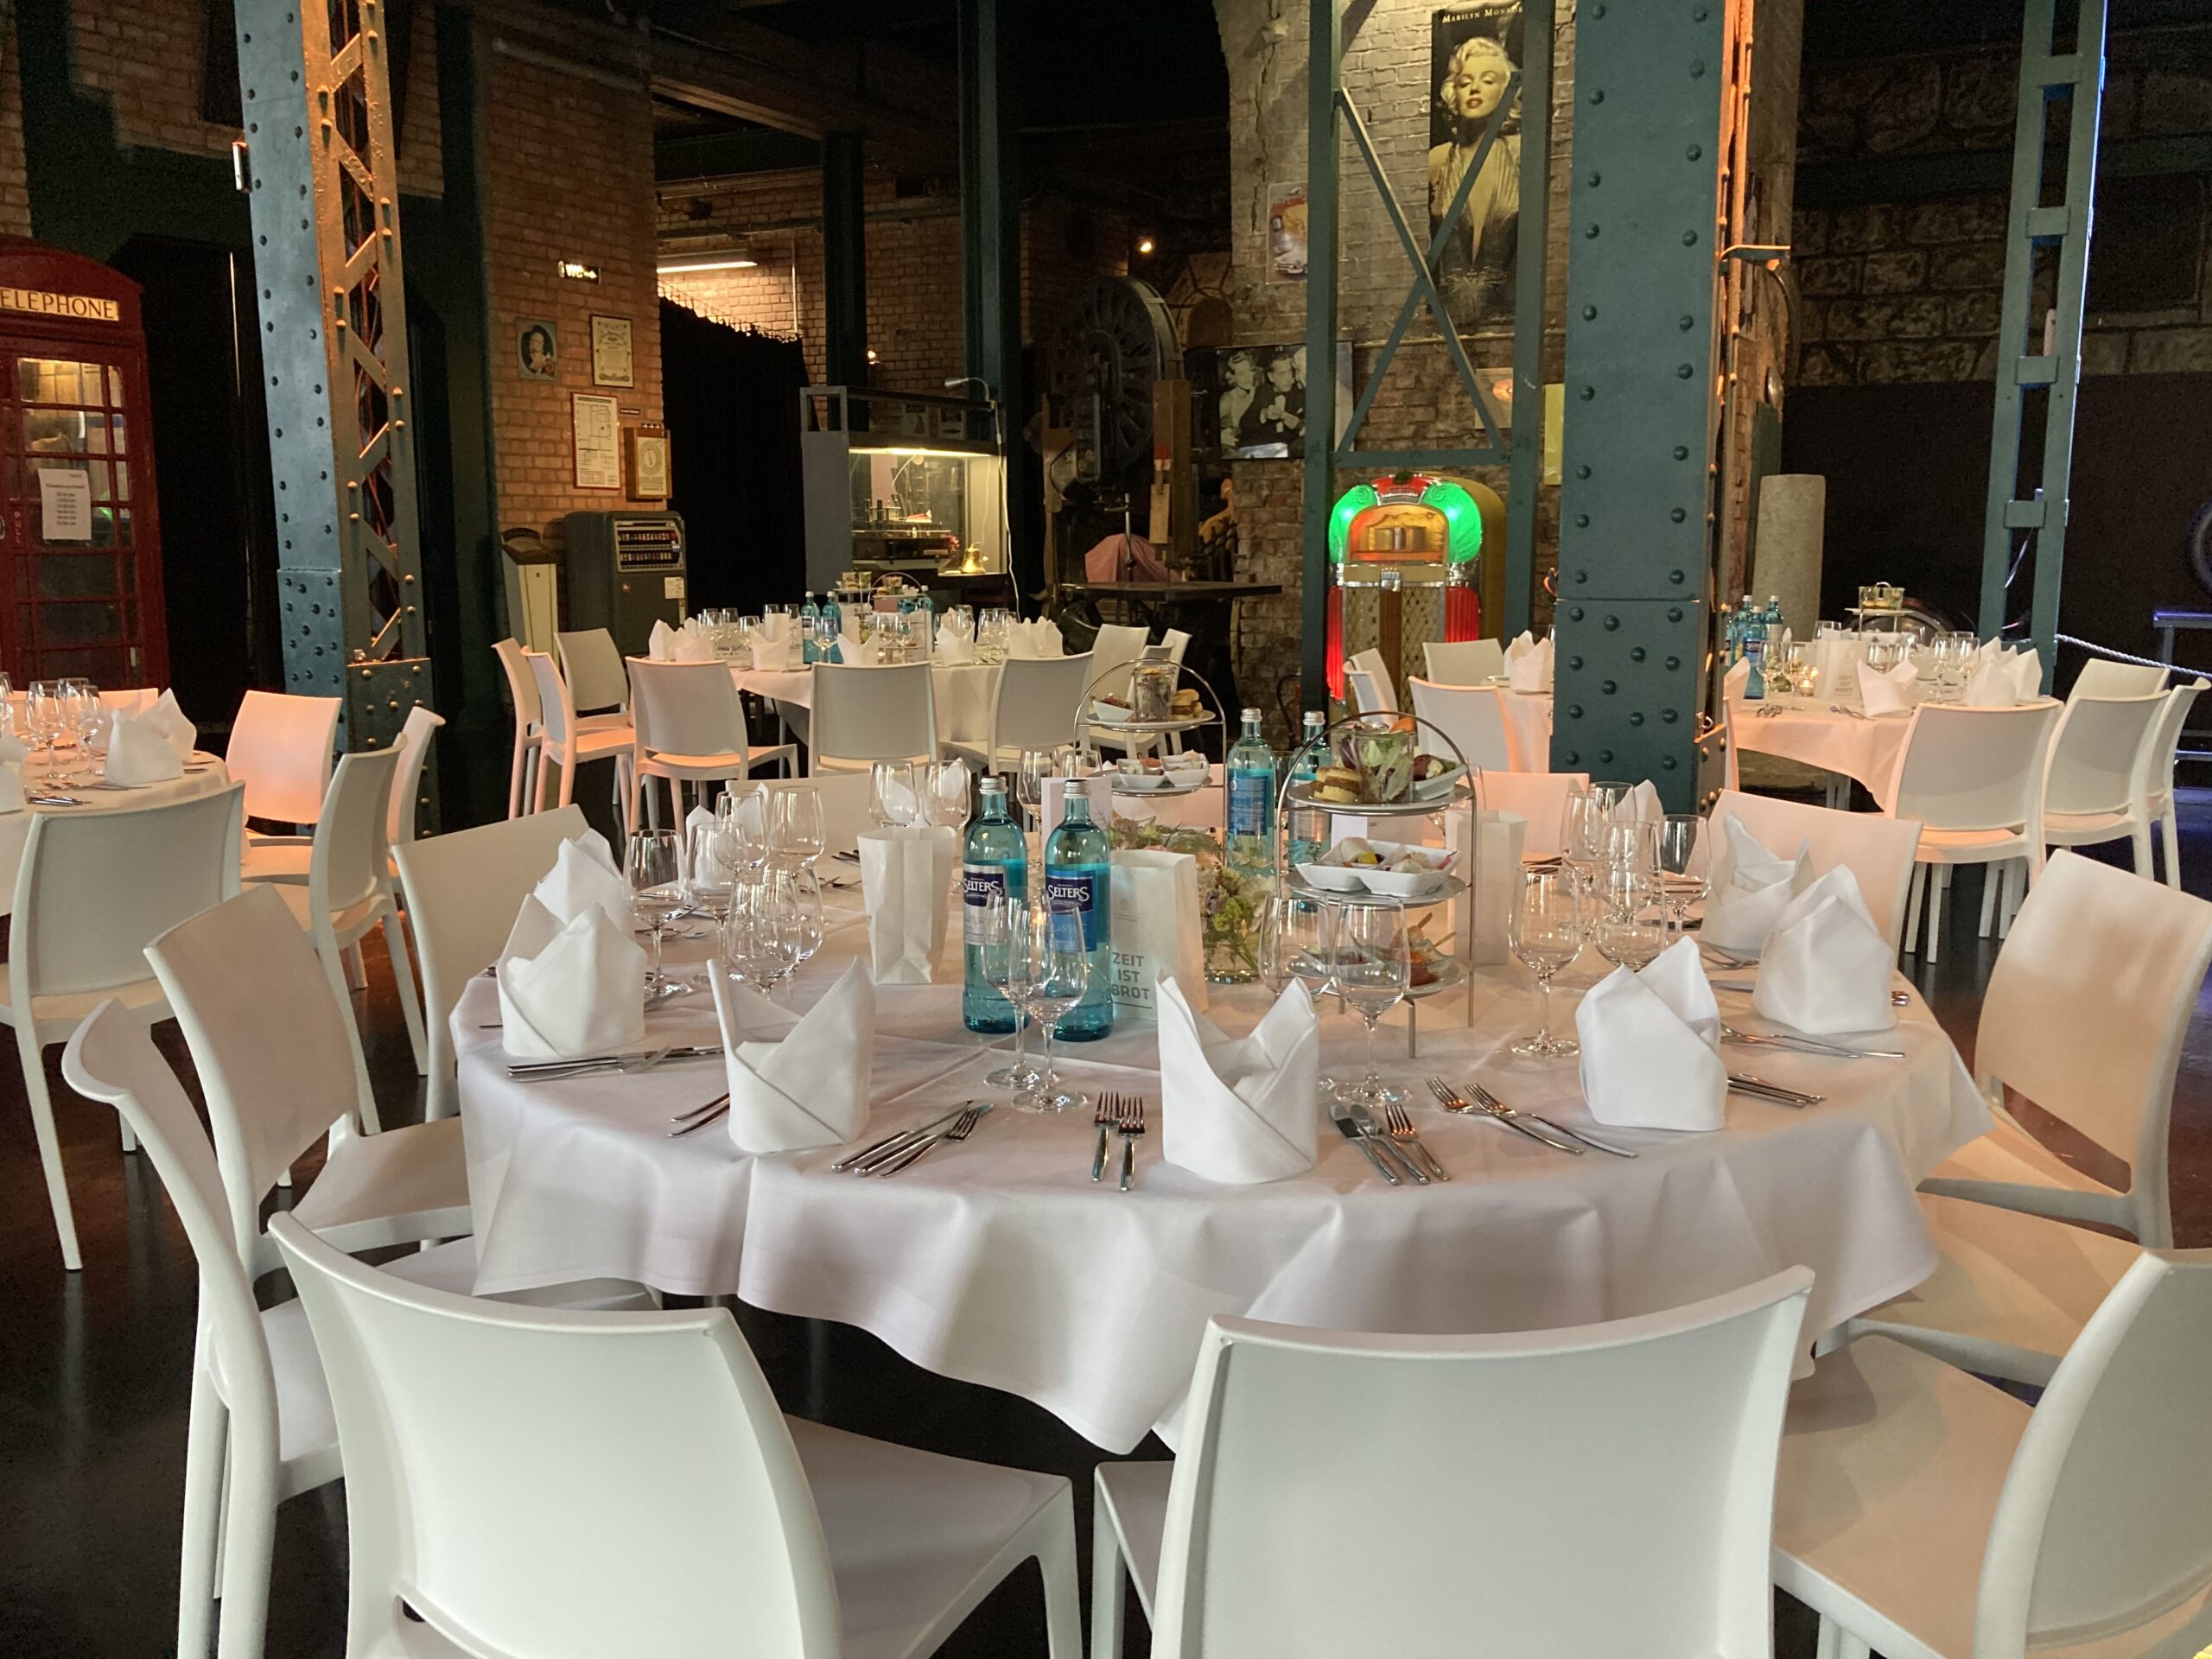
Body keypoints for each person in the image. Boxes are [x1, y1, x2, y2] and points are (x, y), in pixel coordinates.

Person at [1427, 33, 1521, 333]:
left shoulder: (1521, 153)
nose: (1474, 89)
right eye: (1465, 82)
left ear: (1506, 90)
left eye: (1488, 80)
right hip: (1445, 324)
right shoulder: (1438, 160)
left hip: (1509, 320)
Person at [1255, 353, 1304, 445]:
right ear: (1271, 377)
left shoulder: (1300, 393)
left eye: (1290, 372)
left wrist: (1300, 425)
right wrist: (1263, 414)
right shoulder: (1262, 392)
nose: (1288, 378)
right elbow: (1246, 422)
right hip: (1267, 446)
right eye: (1282, 374)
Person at [1217, 352, 1258, 453]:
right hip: (1234, 448)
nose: (1247, 377)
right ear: (1233, 377)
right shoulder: (1228, 399)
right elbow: (1207, 427)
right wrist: (1220, 436)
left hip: (1256, 445)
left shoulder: (1258, 391)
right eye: (1241, 373)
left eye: (1249, 371)